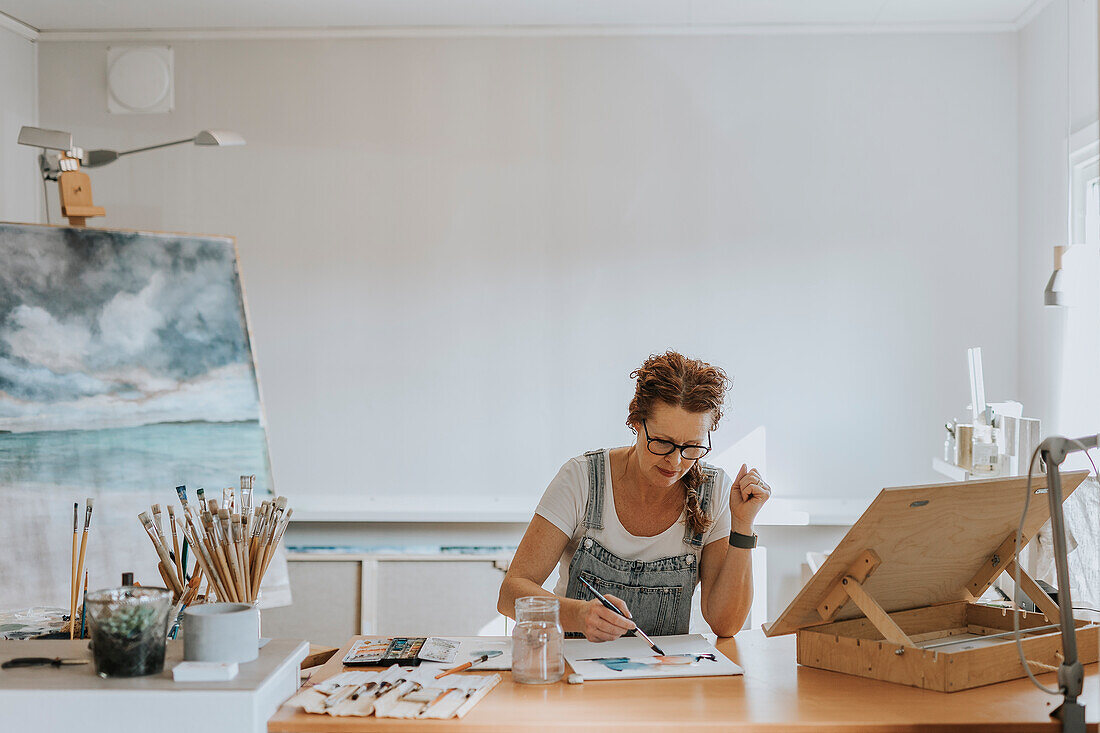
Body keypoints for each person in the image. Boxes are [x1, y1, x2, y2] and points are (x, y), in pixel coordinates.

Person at [497, 350, 772, 640]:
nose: (676, 462)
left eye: (692, 446)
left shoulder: (712, 491)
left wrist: (742, 526)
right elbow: (510, 593)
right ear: (636, 422)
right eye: (663, 443)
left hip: (661, 677)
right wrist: (577, 614)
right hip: (576, 674)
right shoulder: (581, 479)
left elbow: (725, 625)